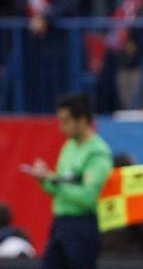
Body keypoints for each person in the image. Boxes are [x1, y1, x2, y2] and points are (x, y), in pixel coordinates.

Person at [22, 93, 113, 268]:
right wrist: (43, 179)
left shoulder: (97, 154)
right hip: (60, 223)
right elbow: (60, 187)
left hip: (82, 226)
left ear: (82, 120)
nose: (61, 127)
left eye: (66, 121)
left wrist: (53, 180)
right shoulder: (69, 146)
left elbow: (88, 197)